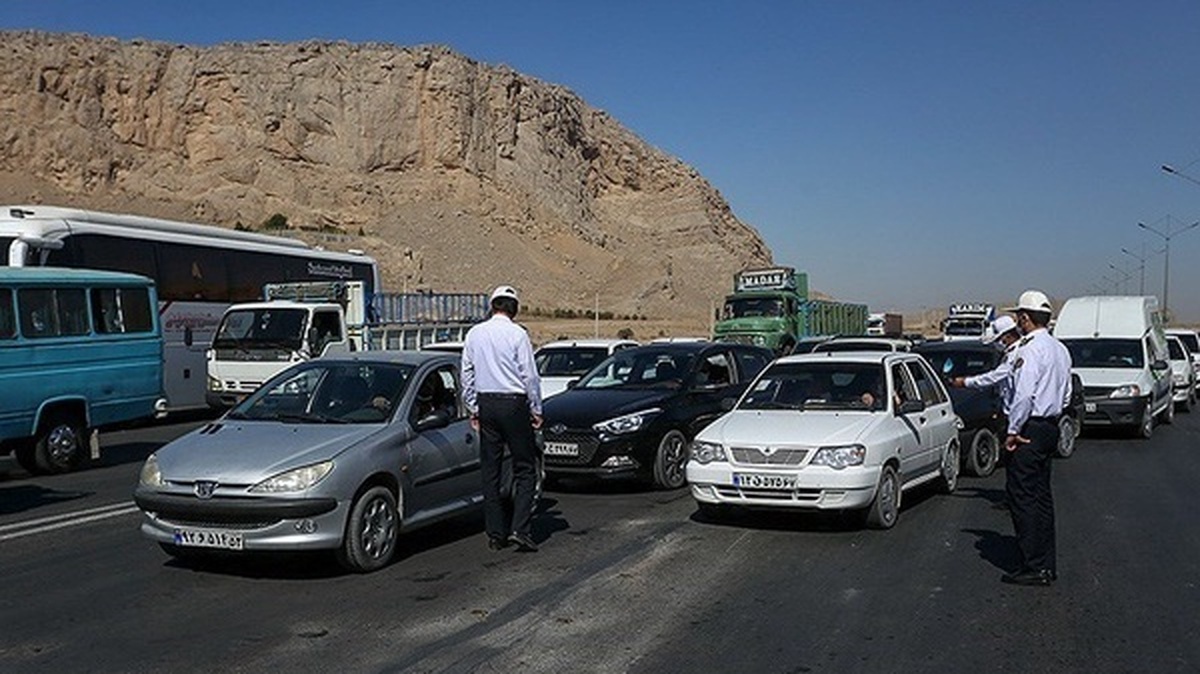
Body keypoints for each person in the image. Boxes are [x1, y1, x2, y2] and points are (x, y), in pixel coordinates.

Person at [997, 290, 1072, 587]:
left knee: (1023, 497)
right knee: (1042, 497)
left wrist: (1014, 431)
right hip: (1050, 426)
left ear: (1025, 318)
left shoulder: (1029, 350)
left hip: (1030, 427)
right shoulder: (1060, 349)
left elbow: (1024, 395)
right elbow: (1066, 393)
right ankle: (1045, 563)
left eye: (1018, 316)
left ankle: (1033, 564)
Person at [461, 284, 543, 552]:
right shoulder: (518, 335)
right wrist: (536, 409)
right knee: (525, 467)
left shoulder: (475, 333)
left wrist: (474, 407)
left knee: (491, 470)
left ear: (493, 305)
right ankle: (520, 528)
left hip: (487, 403)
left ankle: (495, 534)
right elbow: (529, 375)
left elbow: (467, 374)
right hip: (513, 403)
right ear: (514, 308)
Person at [951, 314, 1022, 414]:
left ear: (1007, 336)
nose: (997, 344)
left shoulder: (1016, 353)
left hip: (1016, 413)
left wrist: (965, 382)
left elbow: (994, 376)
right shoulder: (1012, 352)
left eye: (998, 340)